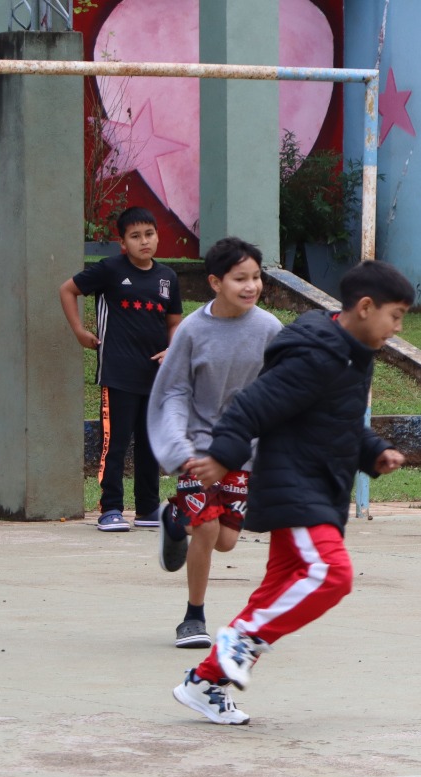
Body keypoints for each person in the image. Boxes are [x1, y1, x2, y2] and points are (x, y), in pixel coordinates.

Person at [171, 259, 411, 724]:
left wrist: (374, 451)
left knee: (278, 588)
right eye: (395, 316)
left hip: (318, 486)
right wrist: (223, 456)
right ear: (365, 307)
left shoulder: (351, 355)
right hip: (296, 485)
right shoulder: (318, 355)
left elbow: (338, 422)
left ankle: (204, 682)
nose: (398, 328)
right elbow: (252, 406)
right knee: (331, 573)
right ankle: (242, 639)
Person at [147, 237, 283, 650]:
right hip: (198, 447)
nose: (251, 286)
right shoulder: (192, 330)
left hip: (241, 448)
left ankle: (174, 519)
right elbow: (173, 391)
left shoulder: (270, 329)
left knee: (225, 541)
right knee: (206, 528)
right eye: (240, 278)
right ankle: (193, 617)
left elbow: (282, 389)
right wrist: (178, 446)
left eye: (256, 277)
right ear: (215, 282)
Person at [59, 207, 182, 532]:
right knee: (114, 444)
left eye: (149, 234)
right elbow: (67, 289)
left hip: (155, 378)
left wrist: (172, 349)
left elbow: (174, 322)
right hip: (117, 375)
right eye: (136, 236)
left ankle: (147, 509)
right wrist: (79, 331)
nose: (144, 241)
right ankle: (110, 509)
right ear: (123, 243)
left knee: (150, 444)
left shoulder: (168, 278)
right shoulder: (110, 269)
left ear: (157, 237)